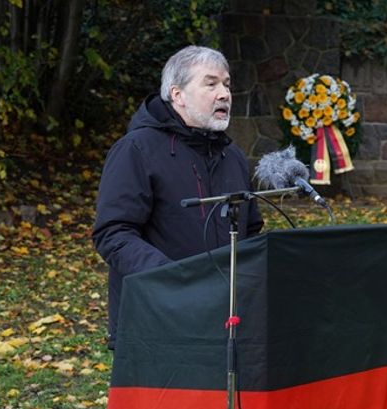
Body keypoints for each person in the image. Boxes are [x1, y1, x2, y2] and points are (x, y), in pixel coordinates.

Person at [93, 45, 263, 348]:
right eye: (210, 84)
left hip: (224, 319)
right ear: (177, 95)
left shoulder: (233, 156)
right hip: (156, 319)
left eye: (226, 84)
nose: (224, 93)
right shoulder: (136, 150)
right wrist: (173, 277)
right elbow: (113, 233)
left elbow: (250, 230)